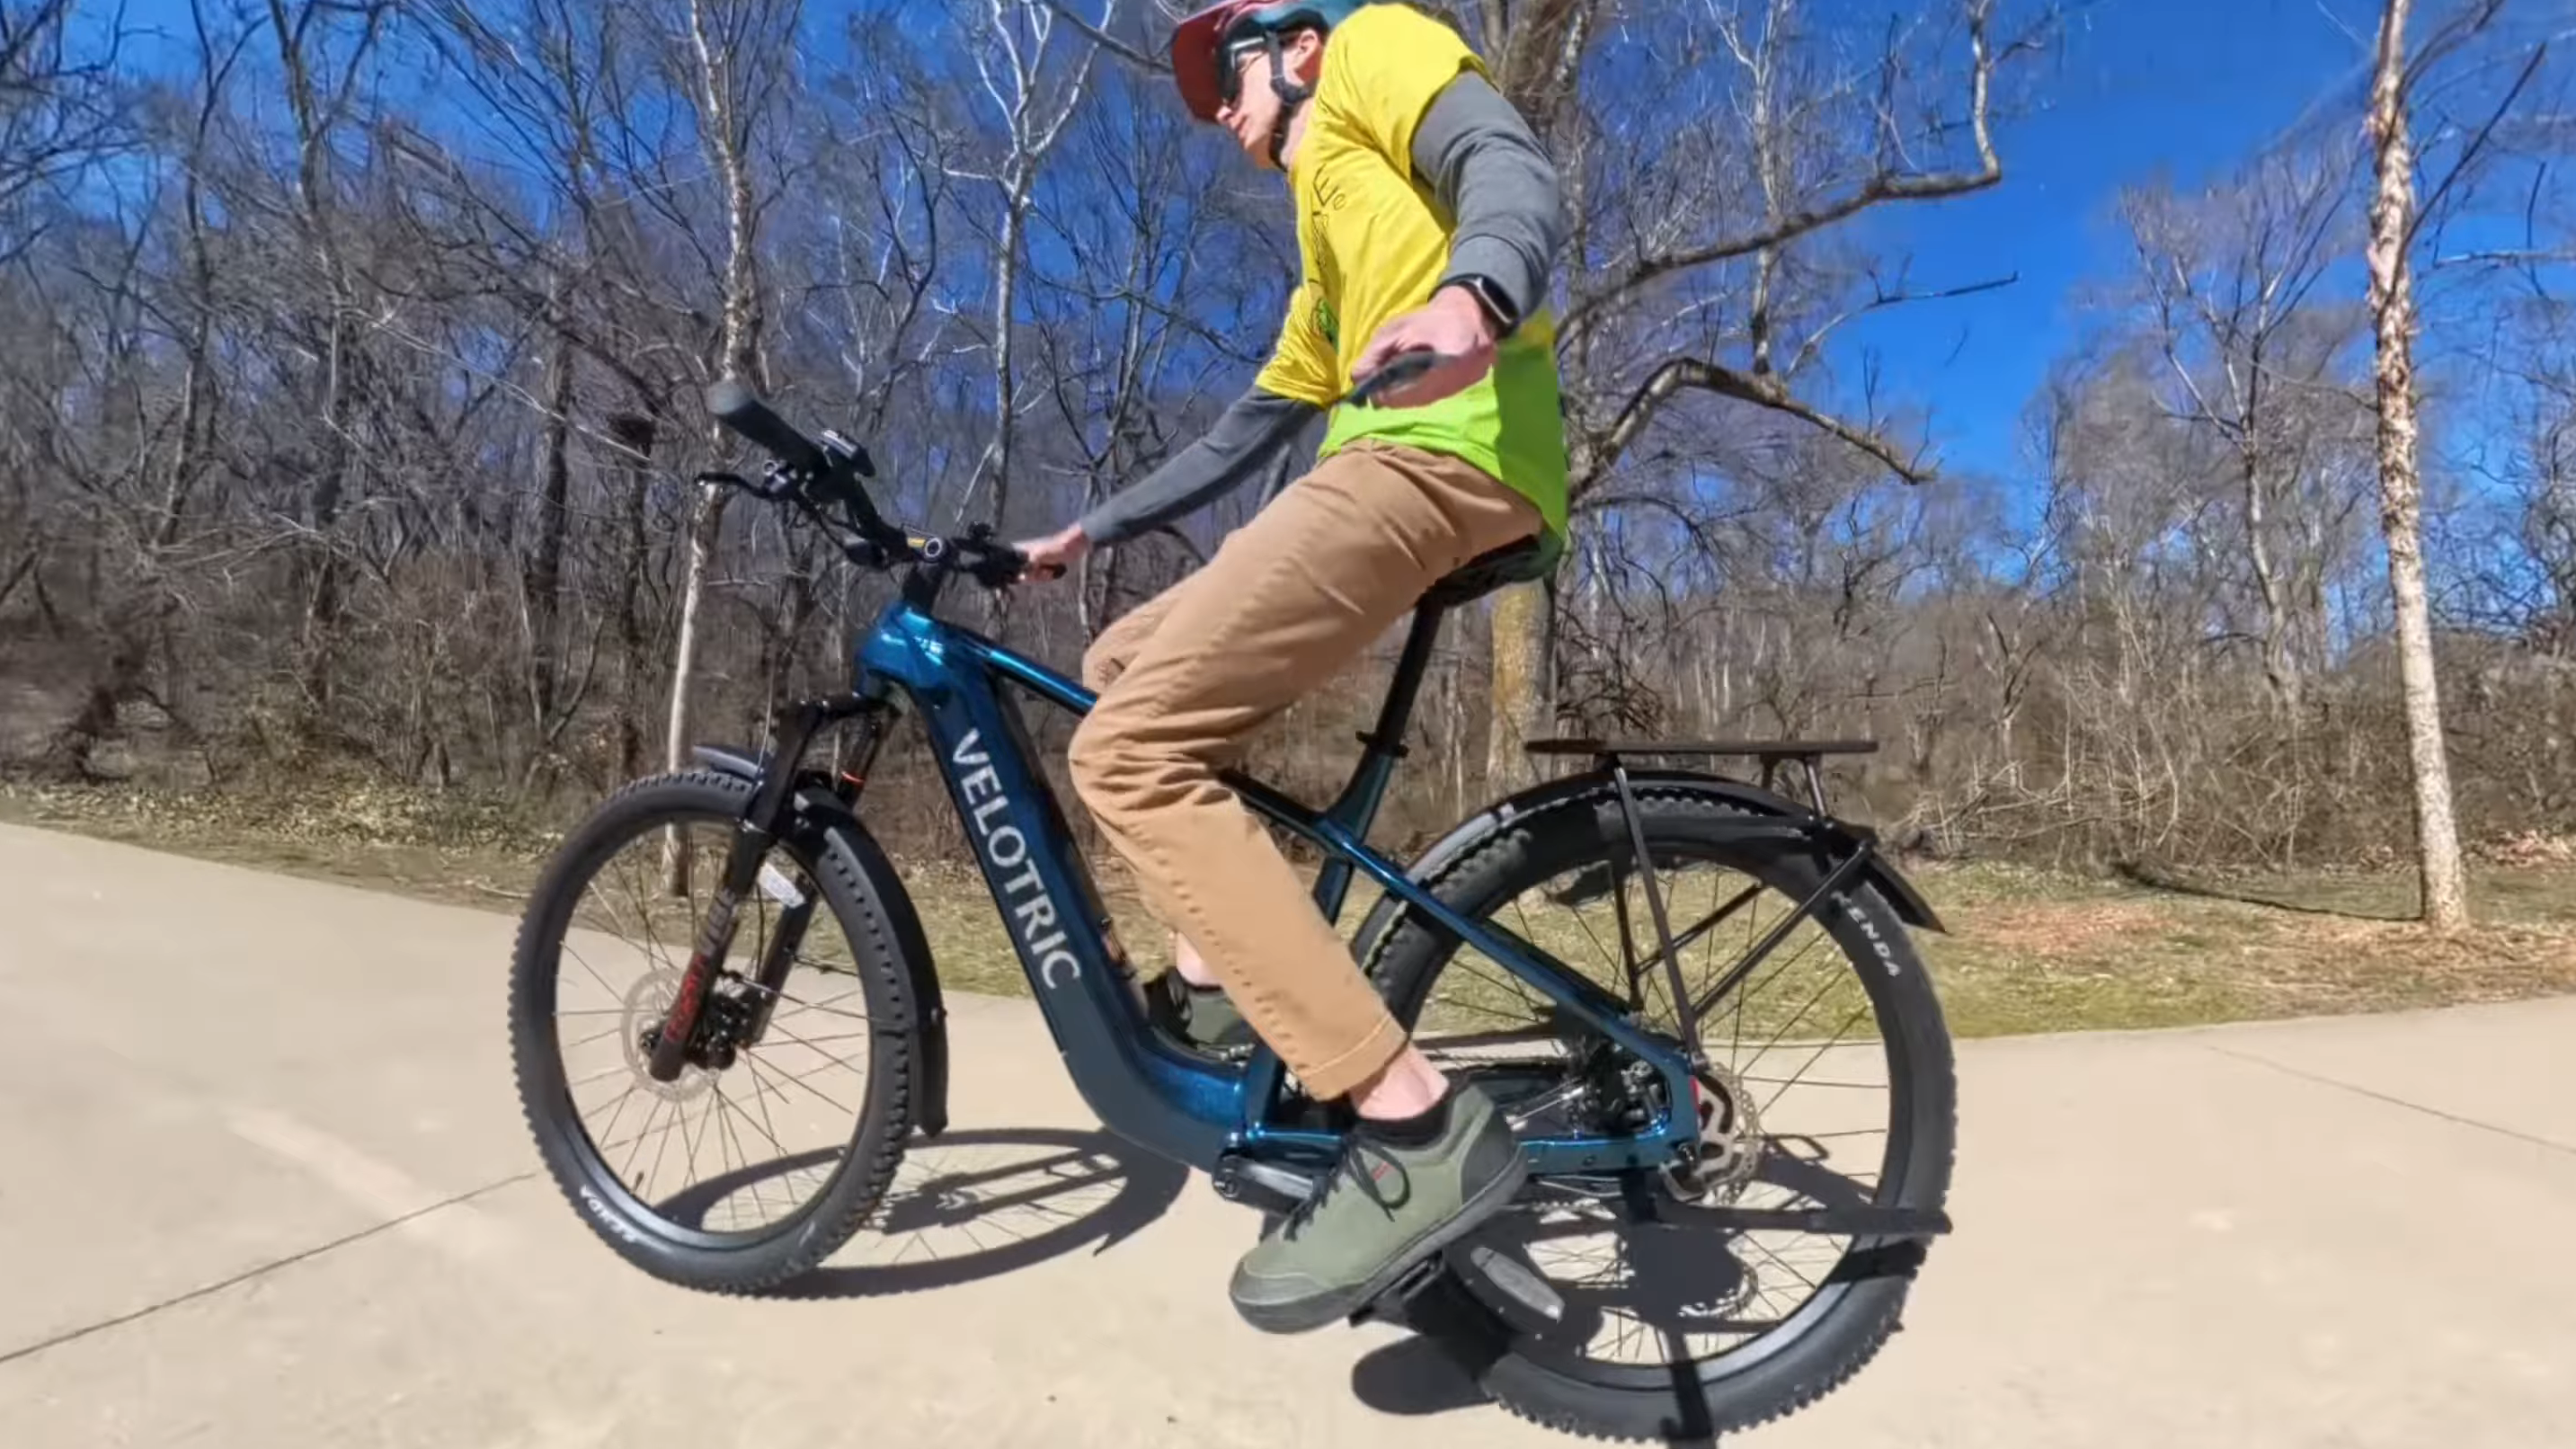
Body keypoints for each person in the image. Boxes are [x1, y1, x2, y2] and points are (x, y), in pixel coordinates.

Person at [1011, 0, 1570, 1334]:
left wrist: (1469, 298)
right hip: (1382, 467)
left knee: (1125, 752)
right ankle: (1215, 995)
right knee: (1126, 660)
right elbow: (1246, 430)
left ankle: (1414, 1130)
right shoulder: (1327, 250)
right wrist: (1091, 527)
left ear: (1297, 45)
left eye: (1225, 73)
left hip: (1445, 453)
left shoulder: (1377, 42)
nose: (1213, 110)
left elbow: (1507, 163)